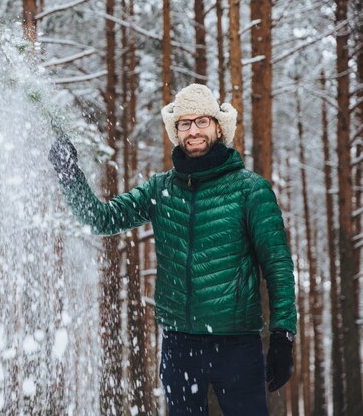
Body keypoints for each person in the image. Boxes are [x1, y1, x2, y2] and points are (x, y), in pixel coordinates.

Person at [48, 83, 297, 416]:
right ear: (176, 132)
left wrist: (283, 333)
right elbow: (101, 219)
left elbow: (277, 265)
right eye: (184, 123)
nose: (193, 130)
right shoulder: (161, 188)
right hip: (180, 344)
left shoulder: (249, 190)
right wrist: (69, 175)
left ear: (218, 128)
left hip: (236, 343)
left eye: (201, 122)